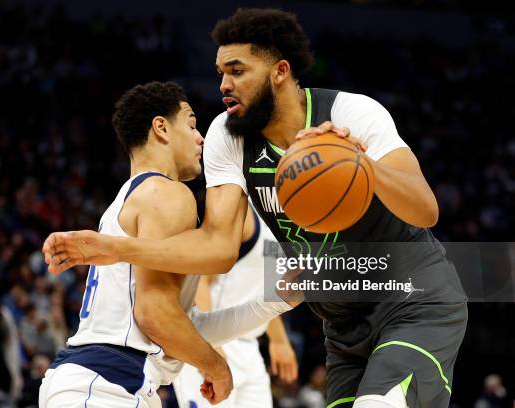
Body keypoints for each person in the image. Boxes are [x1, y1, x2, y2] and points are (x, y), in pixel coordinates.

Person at [43, 9, 467, 408]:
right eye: (221, 73)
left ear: (280, 72)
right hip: (343, 326)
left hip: (412, 298)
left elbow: (425, 209)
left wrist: (359, 162)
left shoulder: (352, 112)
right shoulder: (228, 137)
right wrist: (118, 248)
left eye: (237, 71)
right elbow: (219, 247)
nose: (224, 85)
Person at [39, 81, 293, 408]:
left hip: (108, 381)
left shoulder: (134, 197)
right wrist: (214, 366)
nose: (200, 137)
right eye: (191, 124)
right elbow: (154, 312)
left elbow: (185, 321)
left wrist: (277, 301)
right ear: (161, 128)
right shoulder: (167, 194)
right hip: (108, 383)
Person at [173, 205, 298, 408]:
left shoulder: (288, 224)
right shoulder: (245, 212)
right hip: (214, 339)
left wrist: (279, 340)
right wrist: (211, 346)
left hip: (250, 346)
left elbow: (261, 289)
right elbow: (200, 278)